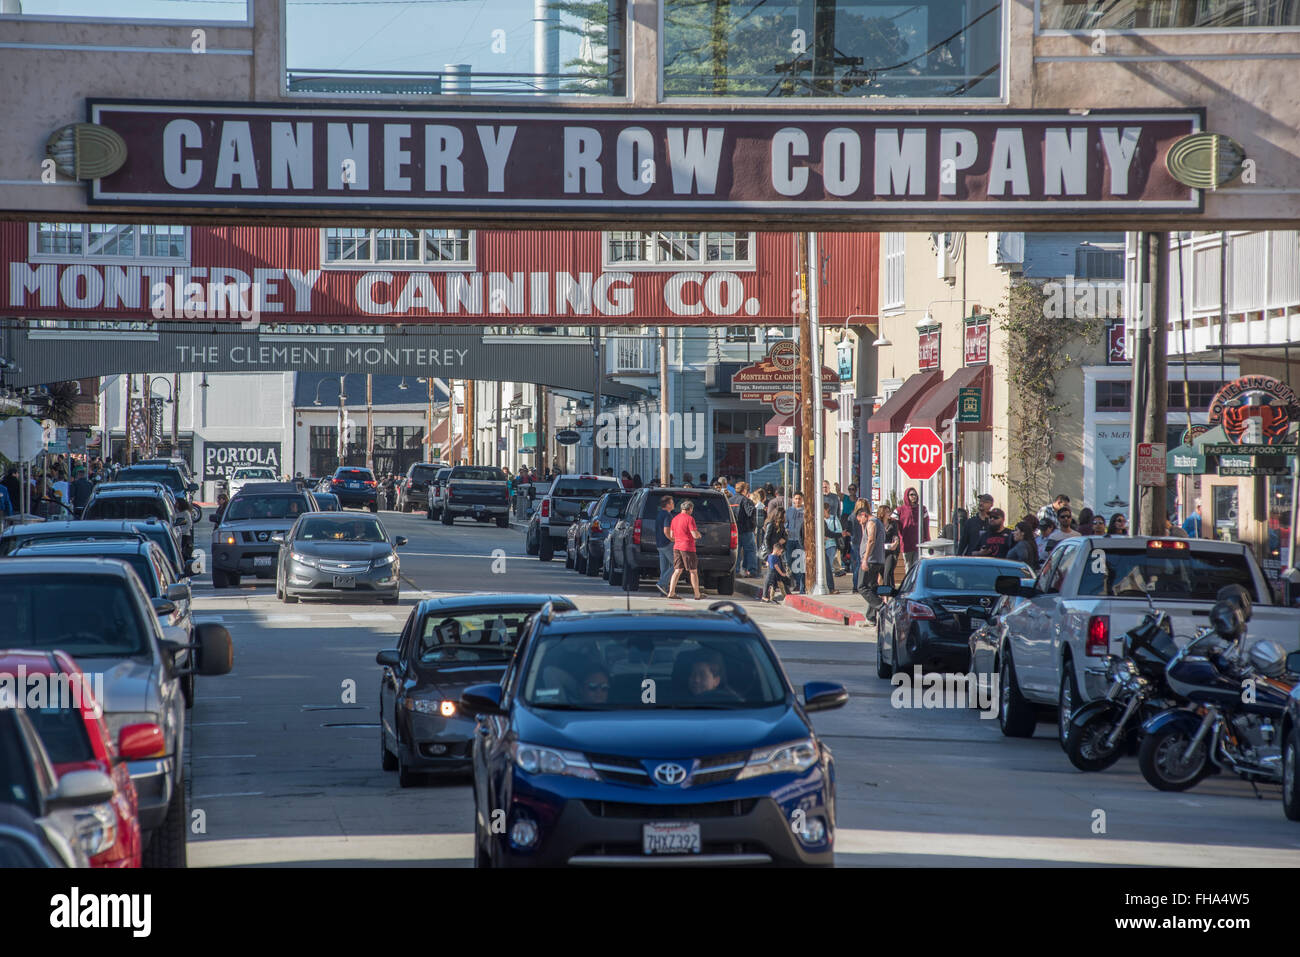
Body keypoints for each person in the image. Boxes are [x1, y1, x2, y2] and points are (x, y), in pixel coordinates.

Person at [667, 500, 703, 600]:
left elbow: (671, 535)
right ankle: (697, 594)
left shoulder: (674, 519)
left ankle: (671, 592)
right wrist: (699, 535)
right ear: (690, 509)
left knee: (677, 570)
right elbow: (694, 534)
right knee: (693, 571)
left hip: (677, 546)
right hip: (688, 547)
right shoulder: (690, 519)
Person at [856, 506, 887, 618]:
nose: (860, 523)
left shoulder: (871, 523)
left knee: (862, 587)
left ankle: (882, 606)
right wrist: (862, 526)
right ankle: (871, 617)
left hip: (871, 560)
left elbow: (871, 540)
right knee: (871, 588)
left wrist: (865, 560)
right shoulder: (877, 522)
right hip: (877, 560)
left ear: (864, 514)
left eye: (860, 520)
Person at [896, 487, 930, 571]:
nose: (913, 497)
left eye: (915, 494)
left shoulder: (922, 509)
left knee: (917, 565)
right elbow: (894, 524)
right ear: (907, 496)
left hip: (918, 542)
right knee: (908, 565)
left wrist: (927, 539)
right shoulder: (900, 510)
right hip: (906, 543)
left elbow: (926, 525)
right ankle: (909, 583)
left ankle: (915, 583)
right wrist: (897, 538)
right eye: (911, 495)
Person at [733, 481, 757, 578]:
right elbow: (751, 513)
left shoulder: (730, 500)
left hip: (734, 530)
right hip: (746, 530)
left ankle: (736, 570)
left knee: (736, 551)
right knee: (750, 550)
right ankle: (751, 570)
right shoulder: (746, 500)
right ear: (744, 490)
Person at [655, 494, 676, 595]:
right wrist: (673, 539)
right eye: (672, 503)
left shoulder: (659, 514)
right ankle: (662, 583)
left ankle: (663, 590)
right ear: (667, 505)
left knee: (665, 568)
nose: (673, 504)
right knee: (677, 565)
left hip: (659, 544)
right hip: (667, 544)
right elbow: (666, 531)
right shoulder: (668, 515)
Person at [786, 492, 806, 593]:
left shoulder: (805, 511)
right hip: (790, 539)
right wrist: (786, 529)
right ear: (793, 499)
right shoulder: (789, 510)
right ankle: (796, 582)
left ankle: (800, 585)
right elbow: (786, 523)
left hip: (799, 540)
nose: (797, 501)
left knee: (800, 563)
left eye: (799, 499)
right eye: (796, 499)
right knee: (789, 561)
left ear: (802, 500)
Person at [823, 501, 844, 593]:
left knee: (828, 566)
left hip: (831, 545)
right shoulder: (819, 519)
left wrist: (830, 535)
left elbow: (839, 531)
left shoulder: (834, 519)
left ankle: (829, 586)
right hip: (822, 546)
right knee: (824, 567)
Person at [881, 507, 901, 588]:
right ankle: (890, 591)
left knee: (888, 571)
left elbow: (896, 535)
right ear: (882, 513)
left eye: (889, 511)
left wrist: (896, 543)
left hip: (891, 551)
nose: (889, 513)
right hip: (880, 551)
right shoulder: (878, 523)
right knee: (884, 573)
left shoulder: (893, 523)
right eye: (887, 512)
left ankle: (887, 591)